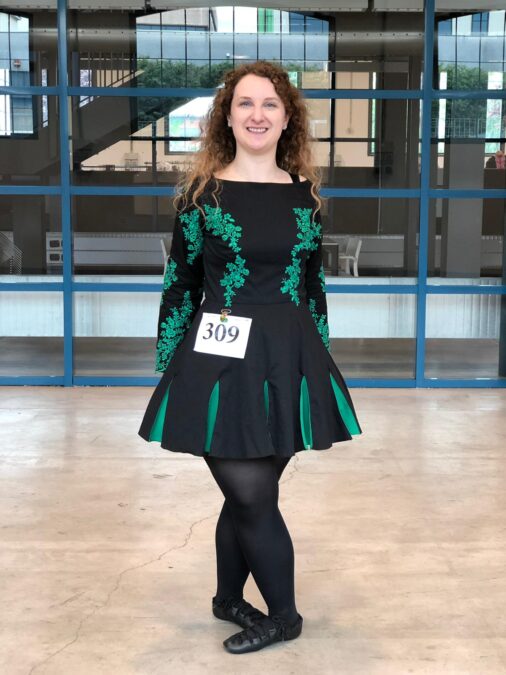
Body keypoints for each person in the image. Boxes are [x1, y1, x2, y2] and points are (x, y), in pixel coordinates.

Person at [138, 60, 362, 654]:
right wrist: (171, 363)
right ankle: (283, 614)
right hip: (218, 361)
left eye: (269, 104)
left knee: (247, 493)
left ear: (287, 118)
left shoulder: (306, 199)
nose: (257, 114)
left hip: (289, 360)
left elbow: (313, 287)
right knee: (250, 492)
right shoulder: (201, 197)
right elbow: (180, 283)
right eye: (245, 103)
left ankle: (228, 599)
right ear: (227, 117)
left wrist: (318, 365)